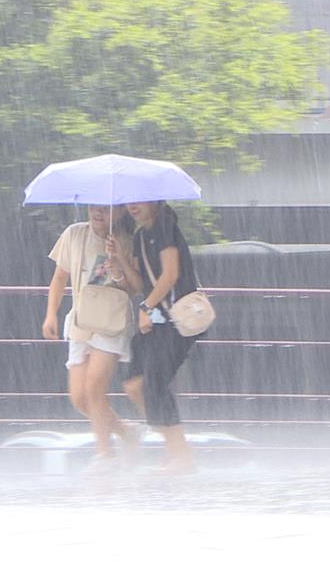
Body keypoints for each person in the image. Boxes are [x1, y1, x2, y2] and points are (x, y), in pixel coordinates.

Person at [42, 204, 145, 474]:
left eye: (106, 209)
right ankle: (125, 431)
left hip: (111, 320)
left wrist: (118, 263)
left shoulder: (128, 241)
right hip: (81, 320)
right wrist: (50, 314)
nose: (98, 213)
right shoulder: (74, 234)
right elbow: (59, 276)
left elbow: (134, 288)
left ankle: (105, 454)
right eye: (94, 207)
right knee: (79, 397)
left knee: (94, 387)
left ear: (120, 213)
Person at [116, 201, 201, 475]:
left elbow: (171, 274)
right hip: (155, 322)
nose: (133, 206)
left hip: (175, 320)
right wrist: (119, 257)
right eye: (129, 201)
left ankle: (180, 455)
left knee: (155, 382)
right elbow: (142, 283)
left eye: (139, 201)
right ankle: (174, 449)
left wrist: (146, 307)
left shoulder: (166, 226)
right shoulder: (141, 236)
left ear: (155, 201)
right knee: (134, 384)